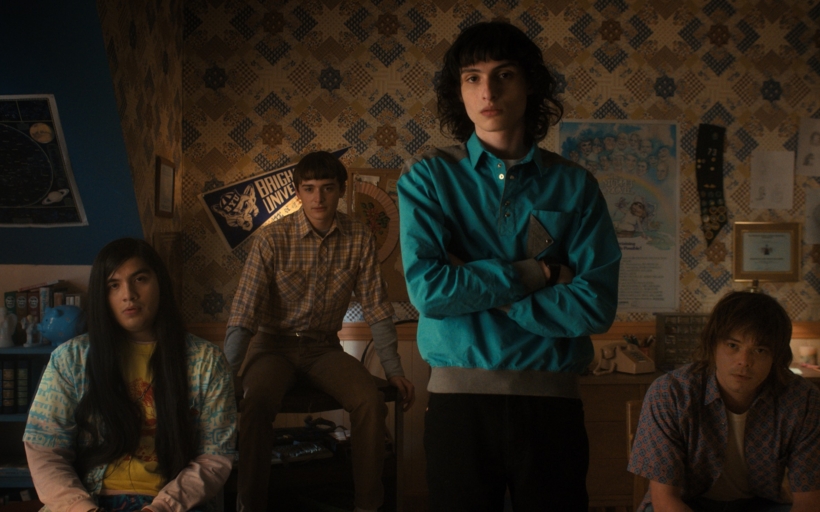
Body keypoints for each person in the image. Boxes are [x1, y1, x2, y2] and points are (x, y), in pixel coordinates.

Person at [397, 21, 621, 512]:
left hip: (552, 404)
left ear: (530, 84)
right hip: (457, 404)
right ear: (458, 90)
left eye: (504, 74)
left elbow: (596, 306)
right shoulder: (428, 178)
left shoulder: (576, 186)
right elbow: (430, 292)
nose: (488, 91)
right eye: (472, 77)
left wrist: (478, 287)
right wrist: (539, 274)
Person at [224, 150, 415, 512]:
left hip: (324, 349)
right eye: (309, 188)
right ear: (298, 192)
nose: (318, 198)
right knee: (256, 404)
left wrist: (394, 369)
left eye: (327, 188)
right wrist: (226, 373)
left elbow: (377, 307)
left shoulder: (358, 236)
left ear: (341, 190)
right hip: (272, 348)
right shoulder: (272, 239)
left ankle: (367, 506)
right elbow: (244, 312)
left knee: (370, 402)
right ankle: (250, 505)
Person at [24, 238, 237, 512]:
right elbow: (45, 449)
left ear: (160, 283)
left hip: (173, 503)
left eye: (140, 279)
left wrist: (162, 507)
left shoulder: (206, 362)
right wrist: (83, 509)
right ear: (102, 295)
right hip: (86, 500)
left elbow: (214, 457)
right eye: (114, 285)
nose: (129, 295)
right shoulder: (70, 359)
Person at [628, 291, 820, 512]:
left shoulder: (803, 400)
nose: (744, 361)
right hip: (686, 502)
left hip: (764, 503)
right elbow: (665, 501)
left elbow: (809, 502)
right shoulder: (670, 393)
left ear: (776, 357)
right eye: (733, 346)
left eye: (759, 350)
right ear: (713, 345)